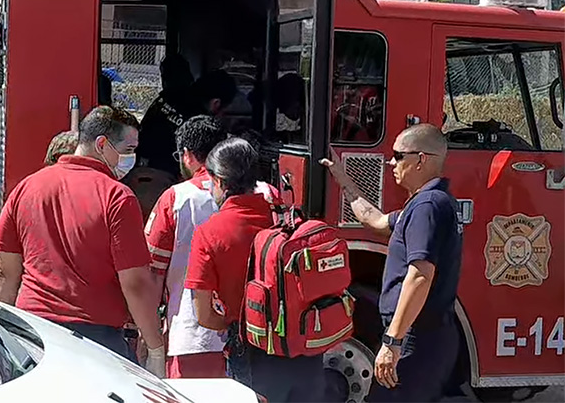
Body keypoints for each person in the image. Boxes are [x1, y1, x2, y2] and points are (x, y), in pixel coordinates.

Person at [0, 106, 165, 377]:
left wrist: (2, 332)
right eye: (129, 149)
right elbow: (134, 283)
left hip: (33, 334)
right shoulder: (118, 197)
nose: (132, 158)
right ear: (101, 144)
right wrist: (155, 346)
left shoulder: (26, 187)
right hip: (95, 343)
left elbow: (6, 273)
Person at [320, 123, 463, 402]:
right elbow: (375, 220)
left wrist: (392, 341)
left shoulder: (427, 207)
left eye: (399, 156)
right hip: (426, 336)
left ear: (421, 160)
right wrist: (342, 178)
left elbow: (420, 275)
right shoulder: (429, 203)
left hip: (416, 338)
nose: (390, 161)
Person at [184, 138, 322, 402]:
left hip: (254, 353)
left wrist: (233, 324)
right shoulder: (288, 218)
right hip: (306, 350)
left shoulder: (210, 233)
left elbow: (203, 315)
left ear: (220, 182)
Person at [144, 115, 229, 378]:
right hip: (254, 335)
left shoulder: (176, 198)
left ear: (187, 155)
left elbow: (153, 272)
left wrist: (147, 332)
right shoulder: (265, 194)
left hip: (191, 334)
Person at [136, 67, 238, 179]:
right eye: (224, 110)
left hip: (139, 166)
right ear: (216, 103)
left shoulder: (168, 96)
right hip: (169, 174)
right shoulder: (201, 123)